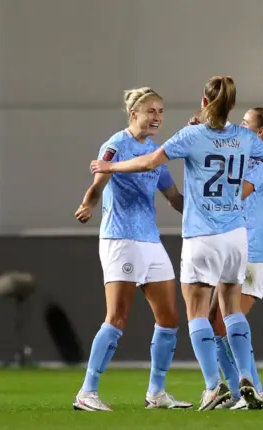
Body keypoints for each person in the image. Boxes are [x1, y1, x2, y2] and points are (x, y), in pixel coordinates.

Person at [90, 76, 263, 411]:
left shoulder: (192, 135)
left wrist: (111, 166)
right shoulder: (242, 137)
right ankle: (247, 377)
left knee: (197, 314)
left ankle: (212, 386)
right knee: (232, 310)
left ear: (204, 101)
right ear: (232, 106)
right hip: (237, 235)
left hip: (202, 235)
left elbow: (150, 162)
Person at [72, 87, 191, 411]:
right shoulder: (116, 145)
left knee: (169, 319)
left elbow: (174, 198)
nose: (157, 117)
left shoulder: (156, 152)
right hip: (120, 239)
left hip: (150, 240)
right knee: (117, 318)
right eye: (150, 111)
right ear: (133, 114)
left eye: (161, 112)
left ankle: (156, 392)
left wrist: (209, 211)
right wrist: (87, 205)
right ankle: (87, 391)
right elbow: (99, 181)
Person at [207, 108, 263, 410]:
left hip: (256, 253)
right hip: (241, 250)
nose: (239, 125)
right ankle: (241, 392)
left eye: (246, 122)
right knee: (215, 324)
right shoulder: (254, 158)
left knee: (227, 322)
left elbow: (235, 194)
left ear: (262, 131)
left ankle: (257, 390)